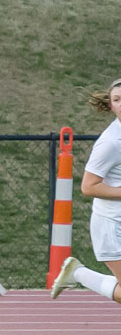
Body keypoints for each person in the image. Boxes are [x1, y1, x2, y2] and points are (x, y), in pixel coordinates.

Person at [51, 78, 121, 304]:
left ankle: (77, 273)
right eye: (117, 100)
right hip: (112, 225)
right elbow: (88, 186)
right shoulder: (111, 142)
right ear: (111, 106)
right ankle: (79, 274)